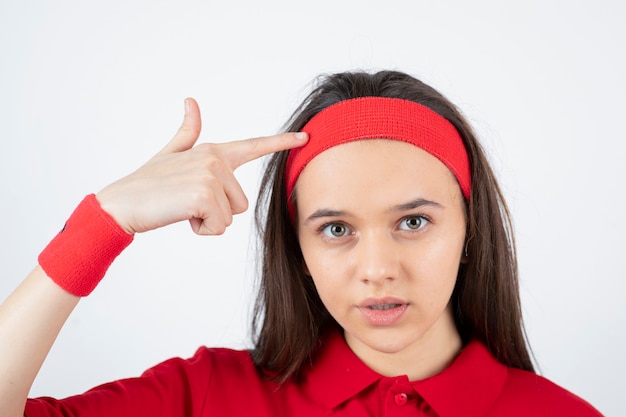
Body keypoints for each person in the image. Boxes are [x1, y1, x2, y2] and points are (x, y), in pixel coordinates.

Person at [0, 70, 602, 416]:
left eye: (413, 222)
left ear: (470, 232)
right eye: (336, 229)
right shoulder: (207, 396)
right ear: (299, 251)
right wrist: (105, 221)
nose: (377, 270)